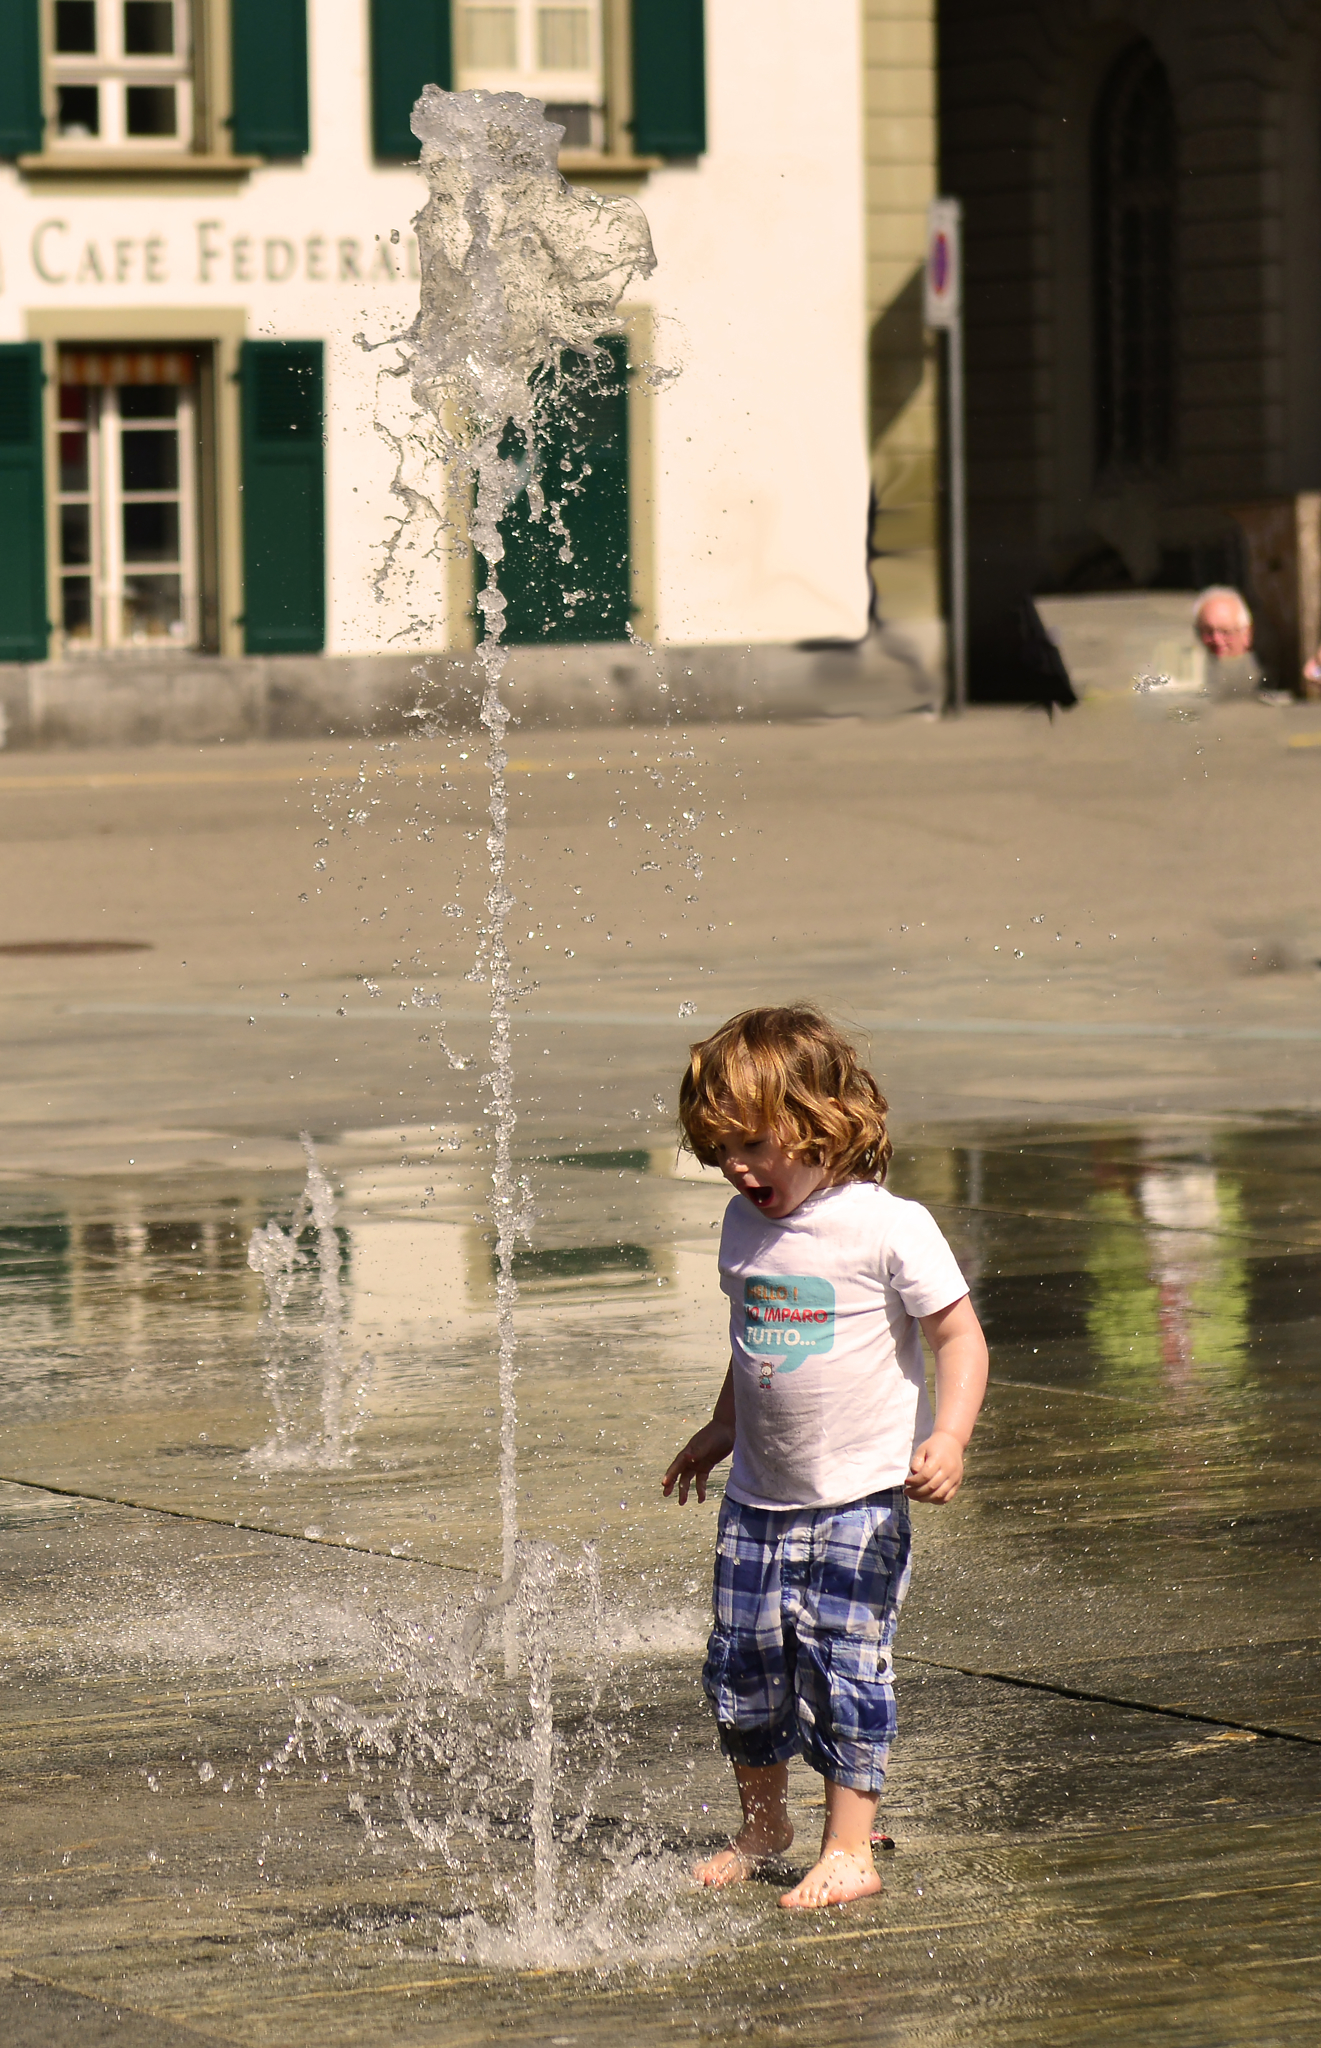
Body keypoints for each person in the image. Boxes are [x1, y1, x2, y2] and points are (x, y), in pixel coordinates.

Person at [662, 1006, 988, 1912]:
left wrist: (949, 1435)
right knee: (745, 1663)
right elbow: (753, 1340)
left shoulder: (889, 1226)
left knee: (846, 1663)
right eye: (720, 1149)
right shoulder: (742, 1225)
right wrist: (720, 1427)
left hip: (858, 1495)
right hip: (757, 1499)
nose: (737, 1167)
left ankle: (849, 1846)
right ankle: (765, 1825)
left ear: (820, 1122)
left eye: (755, 1145)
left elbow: (958, 1337)